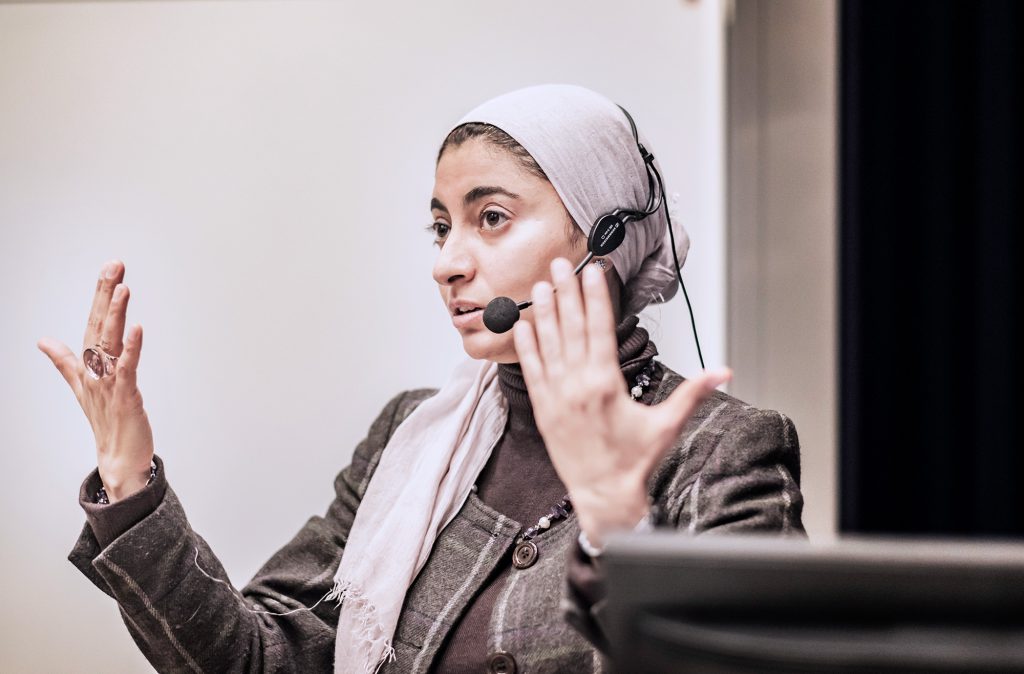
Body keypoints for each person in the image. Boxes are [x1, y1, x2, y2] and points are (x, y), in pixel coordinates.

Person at [38, 84, 804, 673]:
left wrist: (616, 528)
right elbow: (260, 659)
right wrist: (129, 478)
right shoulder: (407, 438)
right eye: (442, 226)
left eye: (492, 217)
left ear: (603, 235)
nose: (448, 262)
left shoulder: (724, 448)